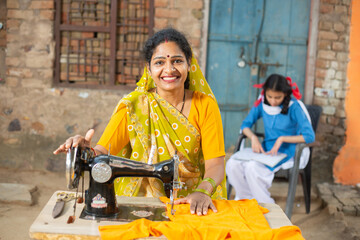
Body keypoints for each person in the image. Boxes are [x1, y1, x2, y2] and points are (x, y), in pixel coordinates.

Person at [54, 28, 227, 216]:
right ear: (149, 68)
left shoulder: (205, 105)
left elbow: (215, 165)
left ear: (189, 64)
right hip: (142, 199)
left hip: (193, 200)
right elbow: (101, 153)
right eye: (159, 62)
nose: (169, 69)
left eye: (177, 61)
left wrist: (202, 192)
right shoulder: (134, 107)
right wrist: (85, 150)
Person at [226, 74, 315, 203]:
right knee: (233, 164)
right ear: (265, 93)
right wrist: (254, 138)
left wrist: (282, 139)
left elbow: (309, 136)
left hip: (286, 152)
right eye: (270, 96)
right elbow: (245, 125)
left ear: (285, 94)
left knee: (252, 168)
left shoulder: (294, 107)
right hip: (266, 150)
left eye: (278, 97)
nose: (273, 101)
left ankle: (266, 204)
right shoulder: (262, 103)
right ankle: (247, 200)